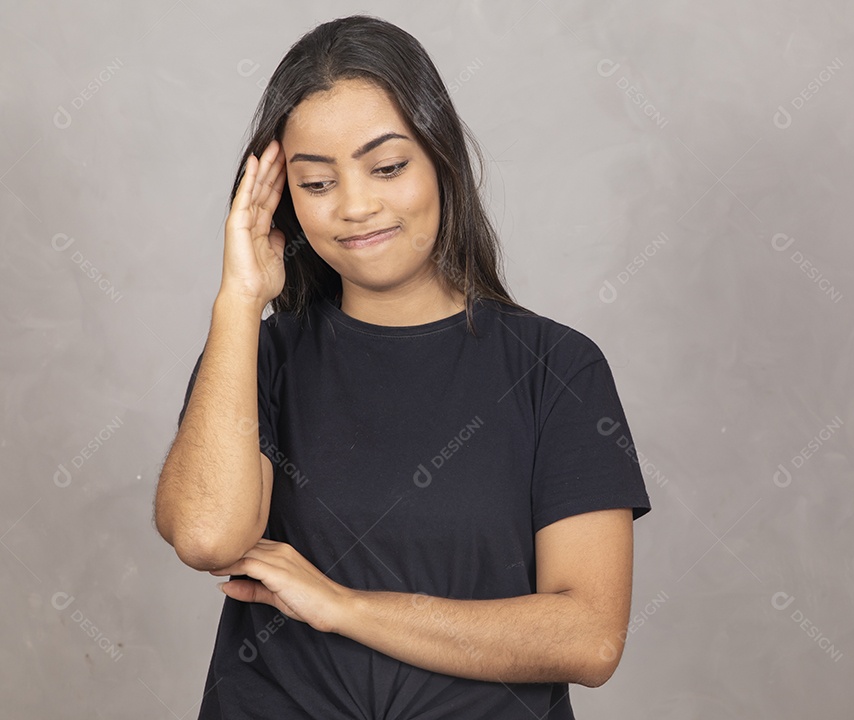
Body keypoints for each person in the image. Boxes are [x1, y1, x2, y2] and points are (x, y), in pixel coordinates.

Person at [153, 13, 651, 719]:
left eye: (387, 167)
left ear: (440, 159)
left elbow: (589, 637)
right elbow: (208, 536)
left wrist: (342, 606)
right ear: (281, 199)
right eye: (317, 182)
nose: (356, 207)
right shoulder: (258, 358)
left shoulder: (555, 368)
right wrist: (239, 299)